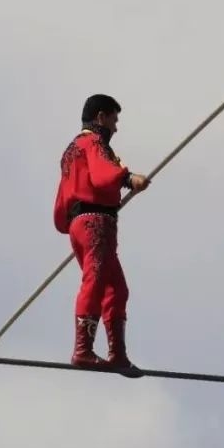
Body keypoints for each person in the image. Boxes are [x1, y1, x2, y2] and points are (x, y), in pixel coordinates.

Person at [53, 94, 150, 377]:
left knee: (116, 289)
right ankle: (83, 350)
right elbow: (102, 174)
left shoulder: (72, 150)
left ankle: (117, 355)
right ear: (101, 118)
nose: (115, 128)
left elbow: (63, 200)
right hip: (95, 224)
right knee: (95, 281)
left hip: (83, 225)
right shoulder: (93, 143)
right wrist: (128, 178)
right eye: (114, 120)